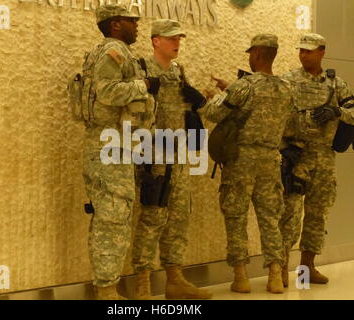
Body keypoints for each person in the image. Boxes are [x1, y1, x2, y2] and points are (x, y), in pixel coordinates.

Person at [203, 34, 295, 294]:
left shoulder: (244, 86)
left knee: (235, 216)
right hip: (270, 159)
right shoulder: (287, 87)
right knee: (271, 218)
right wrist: (230, 90)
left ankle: (241, 276)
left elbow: (215, 113)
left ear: (256, 54)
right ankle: (276, 275)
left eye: (250, 54)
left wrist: (214, 96)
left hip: (241, 160)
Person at [131, 19, 212, 300]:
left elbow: (187, 109)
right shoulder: (141, 69)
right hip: (154, 153)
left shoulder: (179, 72)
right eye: (171, 38)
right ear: (156, 41)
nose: (177, 43)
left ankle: (174, 279)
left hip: (179, 155)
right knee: (153, 217)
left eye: (179, 38)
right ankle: (142, 282)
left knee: (179, 217)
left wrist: (199, 101)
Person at [82, 4, 157, 300]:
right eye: (131, 20)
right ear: (115, 25)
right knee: (112, 216)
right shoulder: (112, 51)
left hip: (119, 144)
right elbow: (108, 91)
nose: (137, 25)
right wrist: (145, 85)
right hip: (108, 144)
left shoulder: (118, 51)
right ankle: (106, 289)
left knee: (116, 214)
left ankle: (107, 286)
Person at [279, 33, 354, 287]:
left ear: (322, 51)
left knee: (317, 215)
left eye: (309, 51)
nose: (303, 55)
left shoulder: (336, 85)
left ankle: (306, 269)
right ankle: (278, 269)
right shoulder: (288, 81)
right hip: (295, 156)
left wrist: (337, 111)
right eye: (301, 50)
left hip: (323, 157)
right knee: (288, 213)